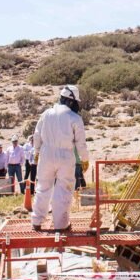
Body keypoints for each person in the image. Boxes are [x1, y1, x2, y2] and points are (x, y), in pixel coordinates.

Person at [31, 85, 89, 232]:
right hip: (65, 156)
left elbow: (37, 135)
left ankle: (37, 221)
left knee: (43, 187)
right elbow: (80, 142)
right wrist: (85, 158)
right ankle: (61, 225)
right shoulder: (75, 118)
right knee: (64, 189)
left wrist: (36, 152)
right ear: (71, 101)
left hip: (46, 154)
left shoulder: (46, 114)